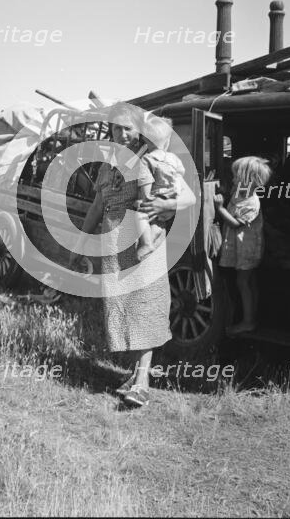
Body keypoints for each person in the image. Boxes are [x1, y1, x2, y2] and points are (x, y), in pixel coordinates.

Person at [69, 102, 196, 408]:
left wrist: (166, 206)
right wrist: (80, 245)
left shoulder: (153, 158)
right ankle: (136, 374)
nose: (122, 133)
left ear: (138, 130)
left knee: (145, 306)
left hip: (144, 244)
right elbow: (97, 208)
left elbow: (190, 197)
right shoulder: (107, 165)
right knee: (123, 309)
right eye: (116, 127)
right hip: (114, 246)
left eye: (128, 128)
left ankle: (142, 383)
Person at [214, 156, 271, 334]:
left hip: (248, 249)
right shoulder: (240, 192)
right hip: (243, 248)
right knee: (249, 281)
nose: (233, 180)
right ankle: (252, 314)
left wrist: (220, 208)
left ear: (250, 181)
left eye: (236, 177)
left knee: (243, 282)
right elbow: (230, 192)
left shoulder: (252, 202)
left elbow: (235, 223)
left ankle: (248, 321)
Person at [135, 115, 185, 261]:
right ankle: (153, 238)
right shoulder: (174, 158)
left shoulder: (147, 159)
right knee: (159, 222)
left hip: (156, 197)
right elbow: (180, 174)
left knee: (141, 213)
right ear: (167, 140)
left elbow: (144, 188)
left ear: (146, 139)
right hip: (171, 200)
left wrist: (142, 201)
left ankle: (147, 242)